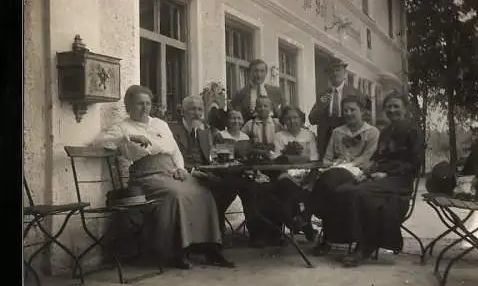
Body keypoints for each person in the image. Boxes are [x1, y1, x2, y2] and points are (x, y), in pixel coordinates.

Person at [92, 85, 234, 269]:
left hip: (170, 171)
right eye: (139, 104)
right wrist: (129, 137)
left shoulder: (160, 124)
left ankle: (211, 250)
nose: (145, 108)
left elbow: (174, 150)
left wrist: (181, 168)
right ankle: (176, 252)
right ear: (129, 106)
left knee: (204, 192)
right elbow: (99, 142)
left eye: (148, 104)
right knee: (176, 195)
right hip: (145, 176)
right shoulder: (122, 127)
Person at [317, 91, 424, 267]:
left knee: (358, 193)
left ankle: (364, 246)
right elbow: (377, 158)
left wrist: (387, 173)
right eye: (388, 107)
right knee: (342, 189)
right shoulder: (387, 131)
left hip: (400, 180)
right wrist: (368, 171)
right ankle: (341, 238)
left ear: (405, 108)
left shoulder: (413, 131)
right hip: (379, 179)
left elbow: (414, 163)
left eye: (396, 106)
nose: (392, 110)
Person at [168, 95, 260, 241]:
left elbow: (211, 158)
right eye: (193, 109)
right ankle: (213, 235)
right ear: (183, 111)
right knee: (220, 190)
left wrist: (219, 165)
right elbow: (171, 158)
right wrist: (193, 171)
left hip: (205, 174)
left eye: (200, 109)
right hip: (183, 174)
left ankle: (220, 232)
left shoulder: (204, 133)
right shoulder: (173, 130)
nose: (197, 113)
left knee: (239, 185)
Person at [308, 93, 380, 255]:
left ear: (362, 111)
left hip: (359, 173)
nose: (348, 113)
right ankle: (327, 238)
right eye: (345, 110)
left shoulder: (372, 133)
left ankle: (308, 216)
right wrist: (330, 165)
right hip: (334, 172)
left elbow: (368, 158)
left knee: (330, 183)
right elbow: (327, 158)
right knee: (331, 186)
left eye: (352, 110)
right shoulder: (337, 132)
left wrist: (348, 164)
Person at [256, 106, 320, 246]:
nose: (292, 121)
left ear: (302, 119)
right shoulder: (279, 136)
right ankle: (302, 221)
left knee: (287, 193)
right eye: (288, 118)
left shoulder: (309, 135)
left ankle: (294, 222)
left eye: (295, 117)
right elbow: (278, 160)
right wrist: (300, 158)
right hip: (285, 174)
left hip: (306, 174)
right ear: (284, 120)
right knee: (284, 185)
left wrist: (291, 158)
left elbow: (314, 158)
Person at [308, 60, 358, 160]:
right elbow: (312, 120)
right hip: (325, 142)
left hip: (347, 139)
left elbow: (365, 118)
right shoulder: (323, 95)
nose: (334, 73)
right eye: (331, 71)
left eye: (338, 70)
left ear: (345, 73)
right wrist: (320, 107)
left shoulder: (354, 93)